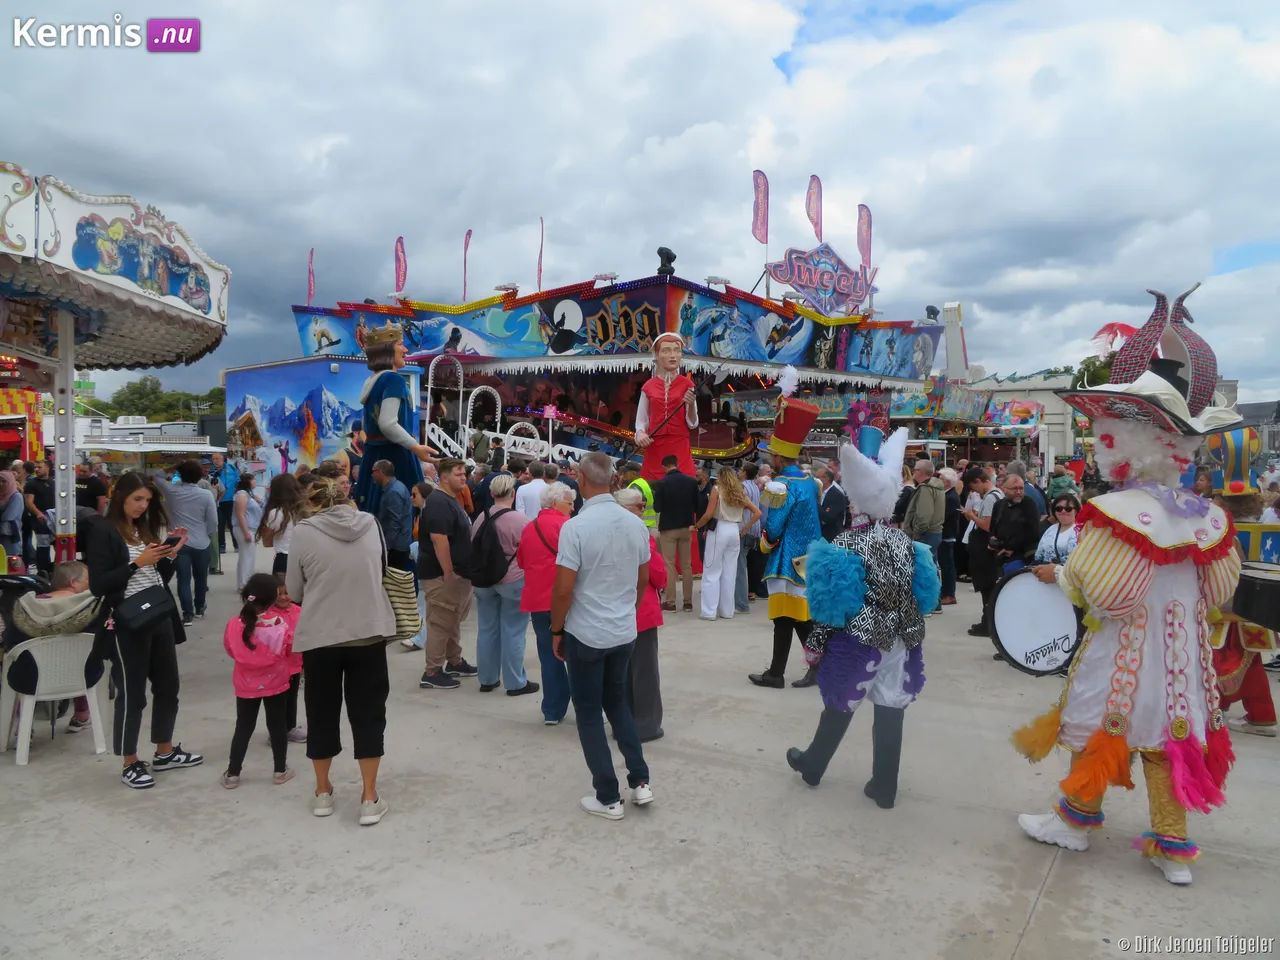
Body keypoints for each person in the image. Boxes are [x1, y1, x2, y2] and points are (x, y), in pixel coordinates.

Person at [1012, 284, 1244, 886]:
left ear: (1124, 442)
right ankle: (1172, 847)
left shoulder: (1116, 512)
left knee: (1100, 726)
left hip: (1126, 654)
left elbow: (1108, 596)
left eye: (1104, 434)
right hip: (1181, 662)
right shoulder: (1207, 516)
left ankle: (1076, 821)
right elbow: (1219, 593)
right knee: (1167, 743)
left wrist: (1063, 574)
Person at [785, 426, 939, 806]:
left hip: (859, 638)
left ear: (857, 500)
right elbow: (925, 594)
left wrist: (815, 647)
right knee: (890, 706)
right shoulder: (906, 542)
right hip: (901, 636)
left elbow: (831, 607)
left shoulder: (845, 543)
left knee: (841, 702)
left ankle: (813, 765)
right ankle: (884, 786)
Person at [549, 452, 654, 820]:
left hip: (587, 632)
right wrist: (627, 611)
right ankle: (640, 781)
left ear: (580, 479)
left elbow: (563, 589)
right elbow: (642, 579)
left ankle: (607, 796)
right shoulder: (635, 524)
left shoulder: (575, 527)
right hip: (623, 630)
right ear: (613, 479)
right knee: (618, 704)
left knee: (590, 713)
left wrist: (556, 629)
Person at [286, 477, 396, 826]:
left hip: (321, 636)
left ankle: (323, 791)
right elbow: (381, 570)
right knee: (369, 715)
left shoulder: (303, 532)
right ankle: (369, 796)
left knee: (320, 713)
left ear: (311, 502)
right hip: (368, 631)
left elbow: (293, 590)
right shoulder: (371, 524)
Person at [87, 471, 202, 789]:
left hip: (158, 613)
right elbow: (99, 584)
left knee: (168, 686)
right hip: (127, 620)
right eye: (137, 499)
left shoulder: (143, 528)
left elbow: (156, 575)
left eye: (147, 500)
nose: (142, 505)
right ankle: (130, 760)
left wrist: (169, 555)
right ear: (120, 496)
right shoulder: (103, 531)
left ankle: (165, 750)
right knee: (133, 693)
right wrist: (137, 562)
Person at [749, 373, 823, 689]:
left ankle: (805, 668)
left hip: (785, 560)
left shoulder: (781, 485)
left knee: (790, 618)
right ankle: (782, 672)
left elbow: (774, 526)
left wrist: (764, 544)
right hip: (808, 558)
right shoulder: (810, 482)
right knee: (794, 617)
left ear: (778, 458)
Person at [1205, 428, 1277, 737]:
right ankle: (1255, 715)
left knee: (1224, 657)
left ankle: (1229, 710)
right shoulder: (1264, 525)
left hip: (1230, 605)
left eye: (1218, 497)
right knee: (1248, 658)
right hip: (1258, 604)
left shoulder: (1224, 532)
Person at [2, 560, 108, 735]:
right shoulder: (92, 608)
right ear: (73, 582)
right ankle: (81, 714)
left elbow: (9, 642)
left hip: (31, 680)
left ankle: (24, 727)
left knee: (18, 661)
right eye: (87, 580)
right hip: (82, 677)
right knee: (85, 656)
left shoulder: (24, 608)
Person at [220, 573, 297, 789]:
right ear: (272, 599)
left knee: (244, 726)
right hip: (276, 683)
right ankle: (280, 770)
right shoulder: (280, 624)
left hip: (246, 684)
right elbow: (289, 650)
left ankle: (233, 773)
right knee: (277, 726)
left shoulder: (234, 624)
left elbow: (230, 649)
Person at [351, 321, 436, 515]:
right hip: (395, 456)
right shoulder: (393, 379)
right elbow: (387, 424)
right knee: (402, 511)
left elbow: (367, 423)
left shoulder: (372, 381)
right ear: (387, 349)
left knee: (373, 508)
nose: (405, 349)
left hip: (373, 455)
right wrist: (415, 447)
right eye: (400, 344)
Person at [516, 480, 576, 724]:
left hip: (538, 600)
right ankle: (588, 708)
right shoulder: (568, 526)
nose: (572, 508)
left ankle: (552, 710)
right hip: (566, 599)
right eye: (569, 503)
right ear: (555, 503)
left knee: (548, 655)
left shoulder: (530, 527)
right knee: (577, 656)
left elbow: (521, 561)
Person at [471, 474, 536, 695]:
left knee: (487, 628)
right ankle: (515, 682)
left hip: (484, 579)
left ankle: (487, 679)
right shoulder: (520, 520)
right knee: (513, 631)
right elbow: (529, 552)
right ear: (513, 493)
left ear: (491, 493)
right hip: (513, 579)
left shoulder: (481, 518)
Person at [417, 458, 478, 689]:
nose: (464, 477)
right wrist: (448, 572)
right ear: (444, 477)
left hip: (456, 574)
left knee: (451, 620)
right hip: (441, 575)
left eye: (464, 474)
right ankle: (432, 672)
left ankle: (454, 661)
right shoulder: (439, 502)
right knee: (440, 623)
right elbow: (438, 539)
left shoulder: (450, 500)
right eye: (458, 474)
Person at [615, 486, 667, 741]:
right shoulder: (640, 535)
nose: (643, 510)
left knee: (620, 672)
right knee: (644, 671)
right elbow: (658, 574)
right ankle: (646, 725)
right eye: (640, 506)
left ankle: (622, 723)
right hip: (640, 608)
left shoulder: (601, 531)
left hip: (611, 608)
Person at [695, 467, 761, 621]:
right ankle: (727, 610)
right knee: (729, 572)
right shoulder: (740, 492)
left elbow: (708, 514)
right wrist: (745, 528)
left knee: (711, 570)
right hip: (734, 530)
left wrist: (697, 526)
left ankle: (709, 611)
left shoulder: (717, 490)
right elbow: (757, 513)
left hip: (719, 529)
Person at [160, 460, 219, 626]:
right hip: (201, 541)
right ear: (199, 476)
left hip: (179, 541)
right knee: (201, 577)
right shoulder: (206, 494)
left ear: (180, 474)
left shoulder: (171, 490)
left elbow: (156, 477)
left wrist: (171, 467)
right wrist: (207, 534)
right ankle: (199, 607)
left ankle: (187, 614)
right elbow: (213, 521)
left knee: (183, 579)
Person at [634, 331, 697, 482]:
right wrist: (640, 434)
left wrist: (691, 404)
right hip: (655, 448)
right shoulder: (648, 386)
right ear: (657, 355)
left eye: (677, 351)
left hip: (680, 449)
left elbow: (692, 423)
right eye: (666, 351)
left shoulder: (687, 384)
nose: (673, 356)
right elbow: (641, 420)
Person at [651, 454, 699, 613]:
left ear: (664, 467)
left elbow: (657, 507)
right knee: (686, 565)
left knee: (669, 565)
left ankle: (670, 602)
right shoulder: (691, 481)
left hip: (668, 528)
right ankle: (688, 602)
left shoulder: (662, 483)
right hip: (686, 527)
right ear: (677, 464)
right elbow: (697, 505)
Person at [962, 466, 1003, 638]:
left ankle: (988, 624)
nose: (974, 492)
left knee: (987, 588)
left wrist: (971, 516)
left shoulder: (990, 497)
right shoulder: (999, 494)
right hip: (992, 547)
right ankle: (988, 621)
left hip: (985, 549)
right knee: (990, 587)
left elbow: (986, 525)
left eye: (973, 487)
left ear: (978, 481)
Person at [371, 459, 413, 570]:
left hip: (395, 547)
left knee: (392, 578)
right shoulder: (397, 487)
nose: (372, 475)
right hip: (398, 544)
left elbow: (395, 522)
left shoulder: (393, 491)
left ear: (380, 472)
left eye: (373, 471)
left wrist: (386, 546)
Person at [258, 472, 303, 576]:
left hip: (284, 559)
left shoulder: (275, 513)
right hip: (303, 558)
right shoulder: (304, 511)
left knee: (282, 586)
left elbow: (267, 543)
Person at [734, 461, 764, 611]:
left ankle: (741, 603)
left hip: (745, 528)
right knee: (749, 564)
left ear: (744, 473)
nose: (738, 471)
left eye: (740, 469)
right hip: (755, 529)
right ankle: (749, 594)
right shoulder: (756, 487)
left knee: (740, 567)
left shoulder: (744, 487)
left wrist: (745, 527)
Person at [23, 459, 54, 576]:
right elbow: (29, 502)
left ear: (47, 468)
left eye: (39, 467)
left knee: (57, 544)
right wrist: (38, 513)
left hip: (54, 517)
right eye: (35, 467)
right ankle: (42, 570)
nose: (36, 469)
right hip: (39, 519)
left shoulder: (53, 482)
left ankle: (54, 569)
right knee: (43, 544)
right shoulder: (31, 484)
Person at [233, 474, 264, 590]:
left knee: (249, 556)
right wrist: (246, 532)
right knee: (246, 556)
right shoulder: (241, 495)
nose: (255, 481)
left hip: (251, 528)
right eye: (253, 479)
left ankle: (247, 581)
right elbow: (240, 515)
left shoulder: (249, 495)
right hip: (245, 528)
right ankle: (243, 584)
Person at [938, 467, 962, 606]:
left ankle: (949, 594)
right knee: (945, 564)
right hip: (946, 534)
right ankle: (945, 592)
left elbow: (943, 515)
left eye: (940, 479)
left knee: (947, 566)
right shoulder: (947, 495)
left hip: (947, 534)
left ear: (947, 482)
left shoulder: (950, 497)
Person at [210, 452, 240, 559]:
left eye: (217, 458)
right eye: (213, 459)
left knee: (232, 523)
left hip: (230, 499)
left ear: (222, 459)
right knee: (220, 524)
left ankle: (236, 544)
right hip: (218, 500)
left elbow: (238, 480)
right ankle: (221, 545)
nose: (215, 461)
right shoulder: (212, 471)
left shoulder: (231, 468)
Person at [816, 465, 850, 542]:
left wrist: (816, 504)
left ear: (826, 479)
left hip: (830, 537)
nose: (815, 480)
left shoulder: (837, 495)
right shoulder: (818, 492)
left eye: (818, 477)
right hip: (819, 534)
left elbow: (828, 517)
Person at [0, 470, 25, 558]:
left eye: (4, 481)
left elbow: (9, 516)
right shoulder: (2, 496)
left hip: (10, 535)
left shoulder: (16, 496)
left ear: (10, 482)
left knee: (10, 558)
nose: (1, 484)